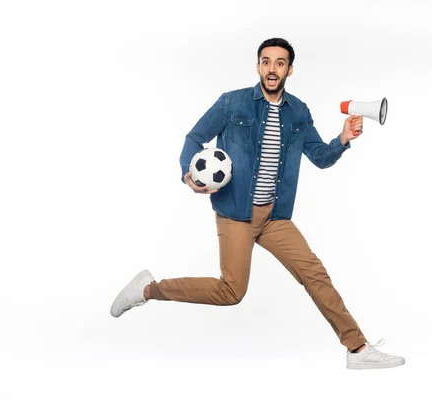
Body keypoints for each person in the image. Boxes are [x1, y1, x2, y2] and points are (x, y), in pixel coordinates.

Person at [110, 38, 405, 370]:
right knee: (231, 292)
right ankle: (148, 290)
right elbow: (195, 137)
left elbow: (320, 158)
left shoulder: (298, 111)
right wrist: (189, 172)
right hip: (235, 213)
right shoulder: (233, 103)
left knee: (315, 274)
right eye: (266, 62)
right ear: (258, 66)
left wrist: (342, 140)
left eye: (280, 63)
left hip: (274, 216)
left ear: (289, 70)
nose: (272, 69)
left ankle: (357, 348)